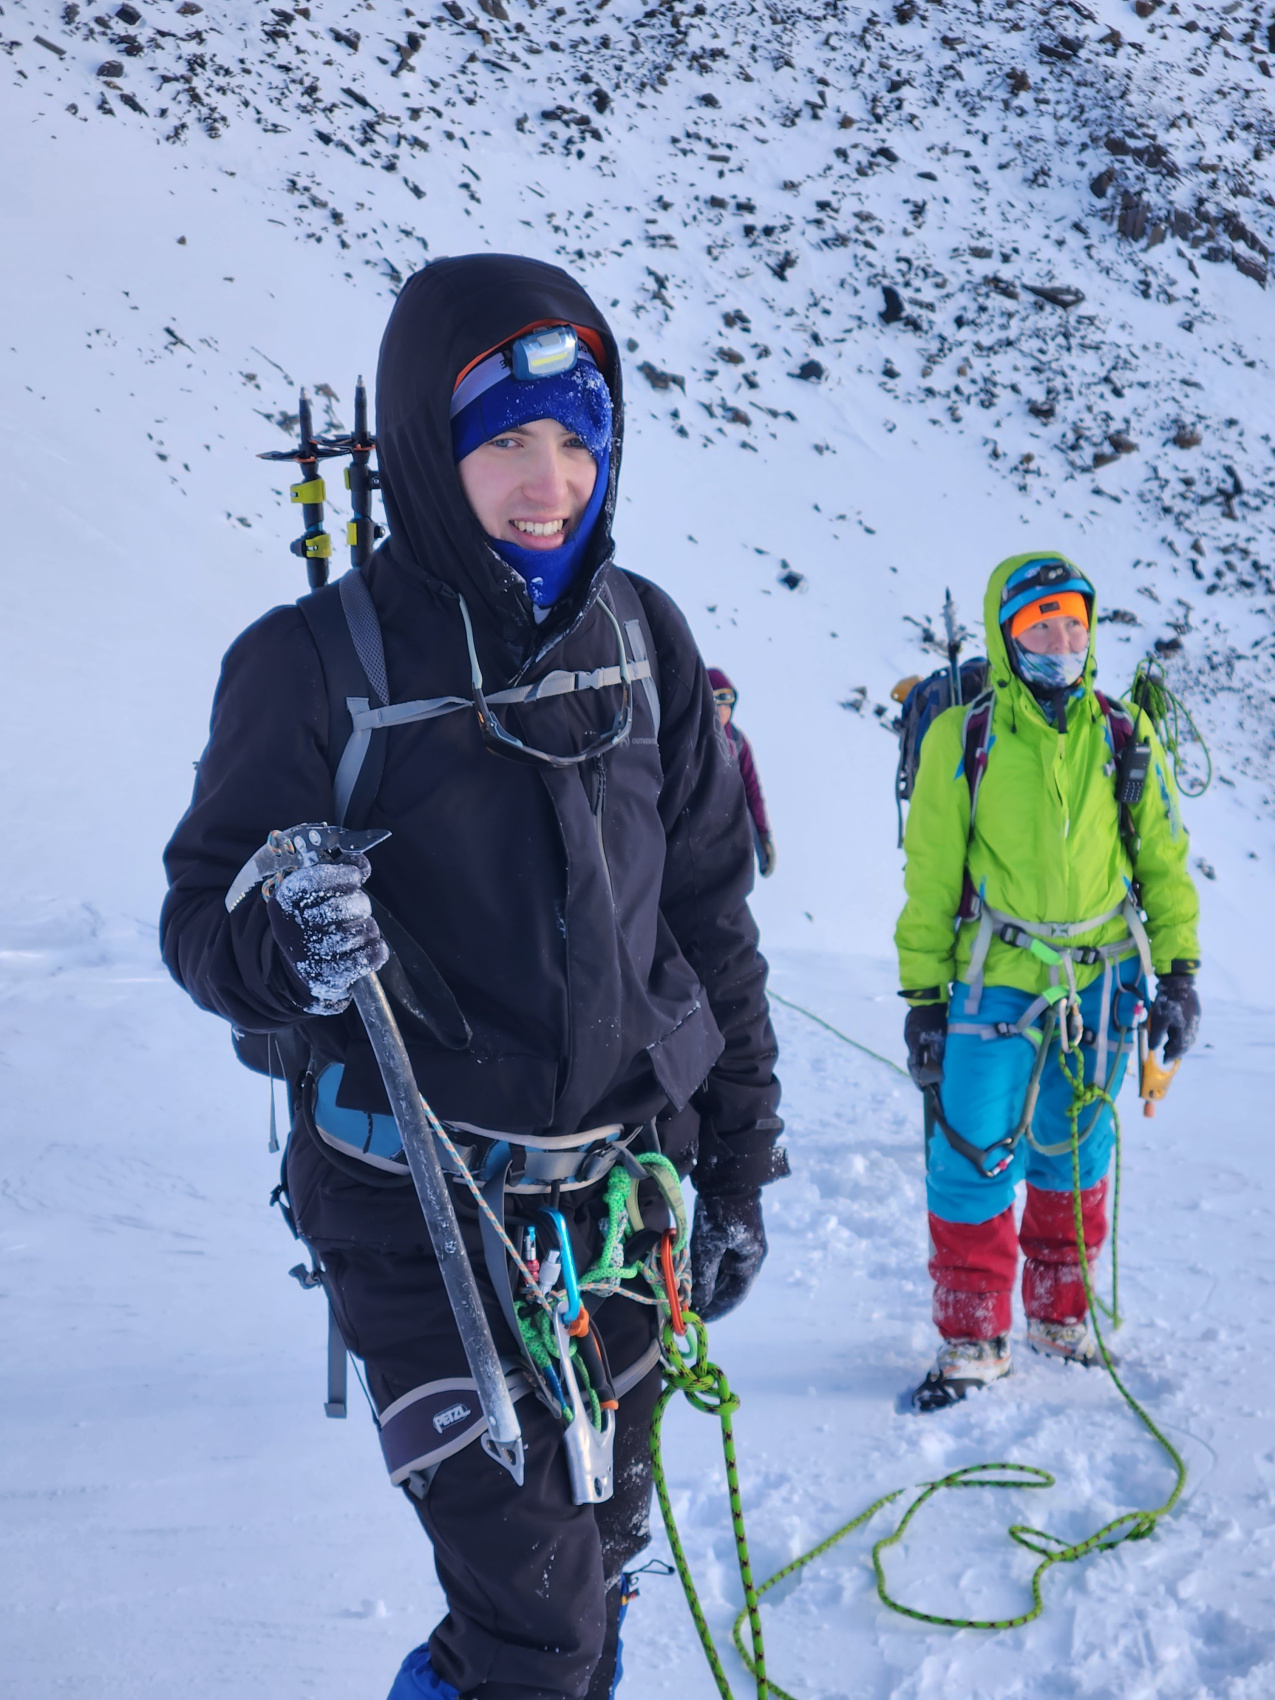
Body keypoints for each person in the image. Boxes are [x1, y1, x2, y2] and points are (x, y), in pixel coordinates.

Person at [161, 254, 786, 1699]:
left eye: (577, 436)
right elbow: (204, 917)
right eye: (503, 435)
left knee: (597, 1564)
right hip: (412, 1210)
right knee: (538, 1627)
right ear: (425, 449)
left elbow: (704, 916)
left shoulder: (640, 638)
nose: (546, 479)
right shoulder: (310, 663)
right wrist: (285, 946)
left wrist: (739, 1170)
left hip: (613, 1204)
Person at [895, 554, 1200, 1412]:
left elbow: (1163, 864)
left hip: (1102, 980)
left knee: (1075, 1151)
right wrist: (923, 998)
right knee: (969, 1153)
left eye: (1073, 625)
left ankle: (1058, 1317)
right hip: (995, 976)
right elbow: (929, 877)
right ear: (1006, 635)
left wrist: (1176, 975)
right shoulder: (965, 737)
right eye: (1040, 627)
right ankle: (971, 1331)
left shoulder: (1123, 731)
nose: (1060, 643)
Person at [707, 668, 776, 878]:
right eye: (716, 704)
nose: (722, 712)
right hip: (698, 836)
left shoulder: (737, 742)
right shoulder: (694, 740)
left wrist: (763, 837)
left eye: (727, 705)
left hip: (731, 837)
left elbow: (752, 791)